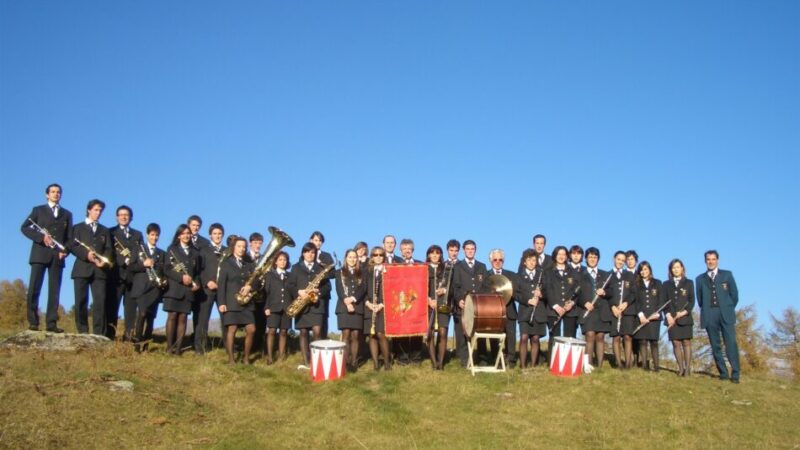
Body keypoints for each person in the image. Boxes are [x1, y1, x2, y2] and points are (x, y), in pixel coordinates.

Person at [20, 183, 72, 333]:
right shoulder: (38, 210)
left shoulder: (67, 214)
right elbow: (24, 228)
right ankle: (33, 321)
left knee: (54, 291)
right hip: (39, 254)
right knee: (34, 288)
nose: (56, 194)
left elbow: (69, 237)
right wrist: (41, 237)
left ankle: (51, 323)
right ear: (47, 194)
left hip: (58, 256)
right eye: (53, 192)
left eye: (58, 192)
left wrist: (66, 251)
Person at [696, 250, 740, 383]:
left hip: (725, 313)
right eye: (708, 259)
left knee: (730, 343)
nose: (711, 261)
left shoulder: (727, 275)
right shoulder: (700, 279)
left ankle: (735, 373)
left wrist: (727, 307)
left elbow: (734, 295)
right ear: (705, 261)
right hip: (710, 314)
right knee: (715, 345)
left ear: (717, 260)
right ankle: (723, 373)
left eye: (713, 259)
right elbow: (700, 299)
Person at [69, 199, 112, 335]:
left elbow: (109, 249)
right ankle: (82, 330)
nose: (98, 213)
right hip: (81, 269)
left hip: (99, 271)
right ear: (89, 210)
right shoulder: (77, 228)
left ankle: (98, 333)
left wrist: (103, 261)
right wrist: (86, 255)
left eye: (100, 211)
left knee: (99, 302)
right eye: (96, 210)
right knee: (81, 300)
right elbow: (72, 246)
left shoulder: (104, 230)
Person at [288, 242, 332, 366]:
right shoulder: (296, 267)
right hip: (301, 304)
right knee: (303, 333)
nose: (310, 254)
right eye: (307, 252)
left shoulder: (320, 268)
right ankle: (306, 360)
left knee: (317, 331)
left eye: (312, 252)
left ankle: (316, 359)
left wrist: (318, 292)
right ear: (303, 253)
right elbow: (290, 284)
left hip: (316, 305)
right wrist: (298, 291)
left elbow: (328, 287)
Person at [105, 205, 143, 340]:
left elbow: (140, 252)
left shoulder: (137, 234)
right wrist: (123, 260)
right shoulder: (110, 232)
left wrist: (131, 261)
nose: (123, 217)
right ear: (116, 217)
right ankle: (109, 335)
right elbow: (109, 251)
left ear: (131, 217)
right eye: (121, 214)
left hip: (132, 277)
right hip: (116, 275)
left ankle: (128, 336)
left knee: (131, 310)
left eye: (126, 214)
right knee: (112, 307)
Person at [163, 224, 201, 355]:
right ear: (179, 235)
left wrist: (197, 284)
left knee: (183, 318)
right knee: (172, 316)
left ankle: (178, 348)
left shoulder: (195, 253)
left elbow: (197, 273)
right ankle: (169, 347)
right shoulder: (172, 249)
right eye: (184, 233)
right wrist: (181, 277)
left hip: (188, 291)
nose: (186, 235)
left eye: (188, 233)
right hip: (174, 289)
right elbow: (167, 268)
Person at [217, 236, 256, 364]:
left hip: (246, 303)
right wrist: (221, 302)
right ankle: (231, 359)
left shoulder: (249, 265)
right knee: (232, 329)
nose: (242, 249)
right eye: (239, 246)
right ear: (233, 247)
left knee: (251, 329)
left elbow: (256, 282)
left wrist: (250, 286)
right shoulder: (226, 263)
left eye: (244, 247)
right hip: (231, 301)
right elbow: (221, 284)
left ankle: (245, 358)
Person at [129, 223, 166, 352]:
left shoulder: (161, 253)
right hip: (141, 287)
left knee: (151, 317)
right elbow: (131, 267)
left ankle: (146, 345)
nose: (154, 238)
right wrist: (143, 264)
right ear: (147, 235)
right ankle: (137, 343)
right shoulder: (138, 249)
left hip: (154, 289)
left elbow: (163, 270)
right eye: (152, 235)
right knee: (142, 314)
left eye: (156, 235)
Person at [452, 239, 487, 367]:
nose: (470, 251)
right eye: (467, 249)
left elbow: (485, 285)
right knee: (463, 332)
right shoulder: (458, 266)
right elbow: (455, 286)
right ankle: (464, 360)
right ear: (464, 250)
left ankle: (482, 359)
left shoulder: (482, 266)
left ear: (475, 250)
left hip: (479, 304)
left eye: (472, 249)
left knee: (480, 331)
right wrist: (459, 299)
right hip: (464, 303)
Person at [482, 248, 518, 368]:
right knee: (493, 336)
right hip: (492, 311)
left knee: (511, 335)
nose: (498, 262)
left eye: (500, 259)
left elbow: (518, 292)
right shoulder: (485, 275)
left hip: (509, 310)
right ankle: (495, 359)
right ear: (490, 260)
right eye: (495, 259)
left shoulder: (511, 275)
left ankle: (511, 360)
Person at [577, 247, 612, 369]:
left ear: (598, 259)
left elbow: (611, 292)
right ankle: (588, 365)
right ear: (586, 258)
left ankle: (600, 366)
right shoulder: (580, 274)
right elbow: (576, 293)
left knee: (600, 336)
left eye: (595, 257)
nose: (592, 259)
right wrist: (584, 303)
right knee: (590, 335)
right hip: (587, 310)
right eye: (590, 257)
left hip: (602, 311)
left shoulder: (605, 274)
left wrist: (605, 292)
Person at [196, 223, 225, 355]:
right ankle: (200, 347)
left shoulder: (227, 251)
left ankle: (227, 346)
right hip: (207, 289)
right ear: (210, 235)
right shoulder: (204, 250)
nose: (217, 236)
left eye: (219, 234)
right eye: (215, 234)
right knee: (203, 318)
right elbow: (199, 269)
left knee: (226, 318)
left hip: (222, 291)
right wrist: (207, 282)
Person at [335, 249, 366, 371]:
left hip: (357, 306)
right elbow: (339, 289)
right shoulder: (339, 272)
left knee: (356, 335)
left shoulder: (362, 272)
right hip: (343, 307)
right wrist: (346, 301)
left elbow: (363, 288)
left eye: (354, 257)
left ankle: (354, 362)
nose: (352, 259)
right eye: (350, 257)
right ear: (346, 258)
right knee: (346, 334)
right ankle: (345, 362)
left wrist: (353, 299)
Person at [664, 259, 695, 377]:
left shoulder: (689, 283)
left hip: (685, 318)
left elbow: (692, 301)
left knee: (686, 342)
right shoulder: (666, 284)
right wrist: (668, 316)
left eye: (678, 267)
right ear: (671, 270)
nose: (676, 269)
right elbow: (664, 302)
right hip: (672, 319)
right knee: (676, 343)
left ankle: (687, 369)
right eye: (673, 268)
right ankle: (680, 368)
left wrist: (683, 313)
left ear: (682, 268)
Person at [515, 249, 545, 369]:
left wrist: (542, 294)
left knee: (535, 338)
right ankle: (522, 366)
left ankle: (533, 366)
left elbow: (549, 291)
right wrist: (527, 300)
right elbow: (516, 294)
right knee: (523, 337)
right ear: (524, 262)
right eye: (529, 260)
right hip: (525, 312)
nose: (532, 262)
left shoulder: (542, 275)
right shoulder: (518, 276)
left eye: (534, 260)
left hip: (539, 311)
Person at [632, 261, 664, 371]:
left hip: (655, 317)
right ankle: (645, 366)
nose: (643, 272)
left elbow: (661, 299)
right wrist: (641, 315)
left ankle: (656, 366)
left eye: (645, 269)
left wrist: (658, 313)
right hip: (642, 317)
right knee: (643, 341)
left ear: (649, 270)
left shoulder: (658, 283)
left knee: (654, 342)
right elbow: (636, 301)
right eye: (641, 270)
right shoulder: (636, 285)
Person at [544, 246, 581, 340]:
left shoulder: (573, 271)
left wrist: (572, 303)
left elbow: (578, 289)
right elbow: (547, 289)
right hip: (553, 311)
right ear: (555, 256)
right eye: (559, 254)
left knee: (570, 338)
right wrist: (555, 306)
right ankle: (553, 355)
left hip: (570, 311)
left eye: (564, 254)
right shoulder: (548, 272)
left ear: (567, 256)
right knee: (554, 338)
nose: (561, 256)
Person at [364, 247, 391, 370]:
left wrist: (382, 304)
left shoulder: (389, 270)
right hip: (369, 306)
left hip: (382, 307)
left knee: (380, 334)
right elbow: (362, 289)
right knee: (372, 335)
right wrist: (368, 303)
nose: (378, 257)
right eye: (375, 255)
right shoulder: (367, 271)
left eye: (381, 255)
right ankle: (375, 364)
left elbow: (392, 290)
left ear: (384, 256)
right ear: (372, 256)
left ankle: (386, 363)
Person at [608, 251, 636, 369]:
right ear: (614, 259)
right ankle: (619, 364)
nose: (620, 262)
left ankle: (628, 364)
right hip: (614, 311)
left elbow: (634, 293)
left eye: (623, 261)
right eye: (618, 259)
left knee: (627, 337)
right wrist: (613, 306)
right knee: (616, 337)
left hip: (627, 310)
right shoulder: (608, 275)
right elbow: (606, 294)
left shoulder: (629, 275)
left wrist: (626, 303)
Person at [263, 251, 292, 364]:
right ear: (275, 262)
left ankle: (281, 356)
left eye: (284, 260)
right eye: (280, 259)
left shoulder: (290, 275)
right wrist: (266, 307)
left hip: (287, 307)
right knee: (272, 331)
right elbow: (266, 292)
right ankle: (270, 356)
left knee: (284, 331)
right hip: (273, 307)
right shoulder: (270, 275)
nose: (282, 262)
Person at [425, 245, 450, 370]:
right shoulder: (424, 268)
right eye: (432, 253)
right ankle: (434, 362)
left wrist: (444, 289)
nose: (435, 255)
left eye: (437, 253)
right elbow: (419, 287)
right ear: (429, 255)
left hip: (443, 304)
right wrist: (428, 300)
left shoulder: (446, 268)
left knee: (443, 332)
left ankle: (441, 362)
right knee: (429, 333)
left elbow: (452, 285)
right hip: (428, 305)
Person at [309, 231, 335, 339]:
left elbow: (333, 273)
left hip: (323, 291)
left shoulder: (327, 256)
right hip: (308, 291)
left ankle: (323, 345)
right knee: (308, 320)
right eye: (315, 240)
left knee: (324, 319)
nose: (318, 242)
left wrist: (321, 277)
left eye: (320, 241)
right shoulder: (306, 254)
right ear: (311, 241)